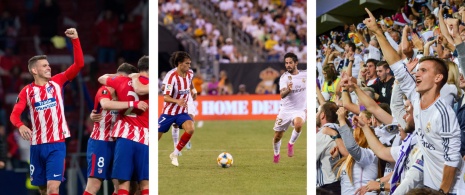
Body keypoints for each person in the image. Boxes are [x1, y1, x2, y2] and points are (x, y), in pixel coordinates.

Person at [364, 8, 462, 194]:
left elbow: (452, 159)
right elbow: (397, 67)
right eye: (418, 69)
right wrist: (378, 32)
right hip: (431, 188)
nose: (417, 73)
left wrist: (442, 192)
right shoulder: (417, 100)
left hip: (450, 190)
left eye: (424, 70)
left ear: (438, 78)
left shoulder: (443, 112)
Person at [9, 28, 83, 195]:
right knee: (42, 190)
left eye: (48, 65)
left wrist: (75, 40)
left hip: (57, 144)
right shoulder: (26, 91)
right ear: (34, 70)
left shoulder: (57, 82)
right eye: (44, 66)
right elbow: (14, 114)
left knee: (53, 188)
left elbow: (79, 65)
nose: (49, 67)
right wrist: (20, 125)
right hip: (36, 146)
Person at [84, 63, 146, 195]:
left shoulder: (127, 92)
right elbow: (105, 105)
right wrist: (133, 103)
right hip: (101, 141)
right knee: (94, 184)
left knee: (122, 186)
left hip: (121, 142)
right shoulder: (106, 90)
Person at [158, 51, 195, 167]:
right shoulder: (171, 78)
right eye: (187, 63)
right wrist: (177, 101)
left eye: (190, 63)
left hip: (181, 112)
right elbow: (166, 98)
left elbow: (190, 83)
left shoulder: (190, 74)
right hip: (168, 113)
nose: (189, 66)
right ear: (179, 64)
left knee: (190, 129)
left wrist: (193, 90)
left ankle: (175, 153)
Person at [272, 52, 306, 163]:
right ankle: (276, 154)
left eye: (290, 63)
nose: (288, 65)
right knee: (277, 136)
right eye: (286, 63)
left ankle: (291, 143)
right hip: (285, 110)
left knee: (298, 123)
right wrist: (288, 90)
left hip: (299, 110)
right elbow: (282, 94)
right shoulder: (284, 78)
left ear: (296, 63)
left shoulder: (305, 75)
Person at [316, 102, 341, 194]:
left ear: (322, 115)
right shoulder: (344, 130)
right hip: (342, 181)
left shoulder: (322, 135)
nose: (316, 115)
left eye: (317, 112)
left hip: (328, 185)